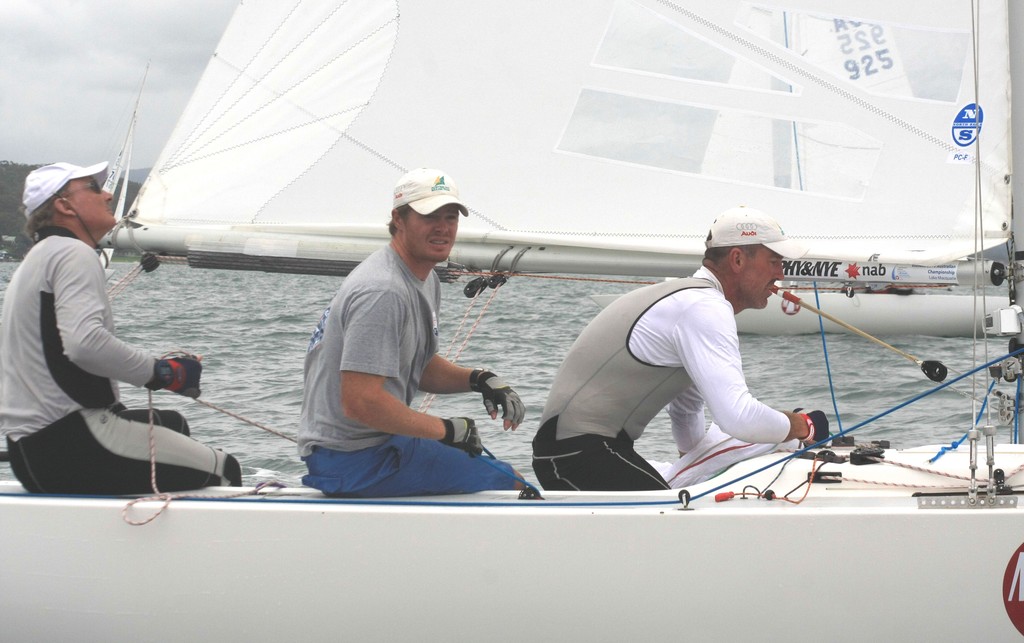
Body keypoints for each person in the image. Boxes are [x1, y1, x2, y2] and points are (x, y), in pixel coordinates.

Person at [532, 207, 830, 491]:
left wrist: (700, 464)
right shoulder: (703, 307)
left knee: (683, 507)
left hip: (579, 452)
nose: (780, 272)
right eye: (774, 260)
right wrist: (803, 426)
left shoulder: (688, 298)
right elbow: (737, 417)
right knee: (671, 522)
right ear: (738, 260)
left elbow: (686, 411)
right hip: (577, 456)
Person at [0, 161, 241, 494]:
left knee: (173, 424)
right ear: (64, 205)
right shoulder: (73, 253)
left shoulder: (38, 258)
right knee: (225, 469)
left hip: (32, 450)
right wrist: (162, 373)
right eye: (95, 189)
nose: (109, 194)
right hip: (73, 444)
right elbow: (84, 343)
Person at [297, 168, 527, 497]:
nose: (443, 228)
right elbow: (360, 402)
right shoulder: (383, 291)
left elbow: (413, 362)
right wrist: (446, 430)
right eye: (430, 216)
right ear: (399, 219)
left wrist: (479, 379)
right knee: (514, 485)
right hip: (353, 460)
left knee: (485, 466)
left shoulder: (422, 278)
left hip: (374, 444)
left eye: (450, 217)